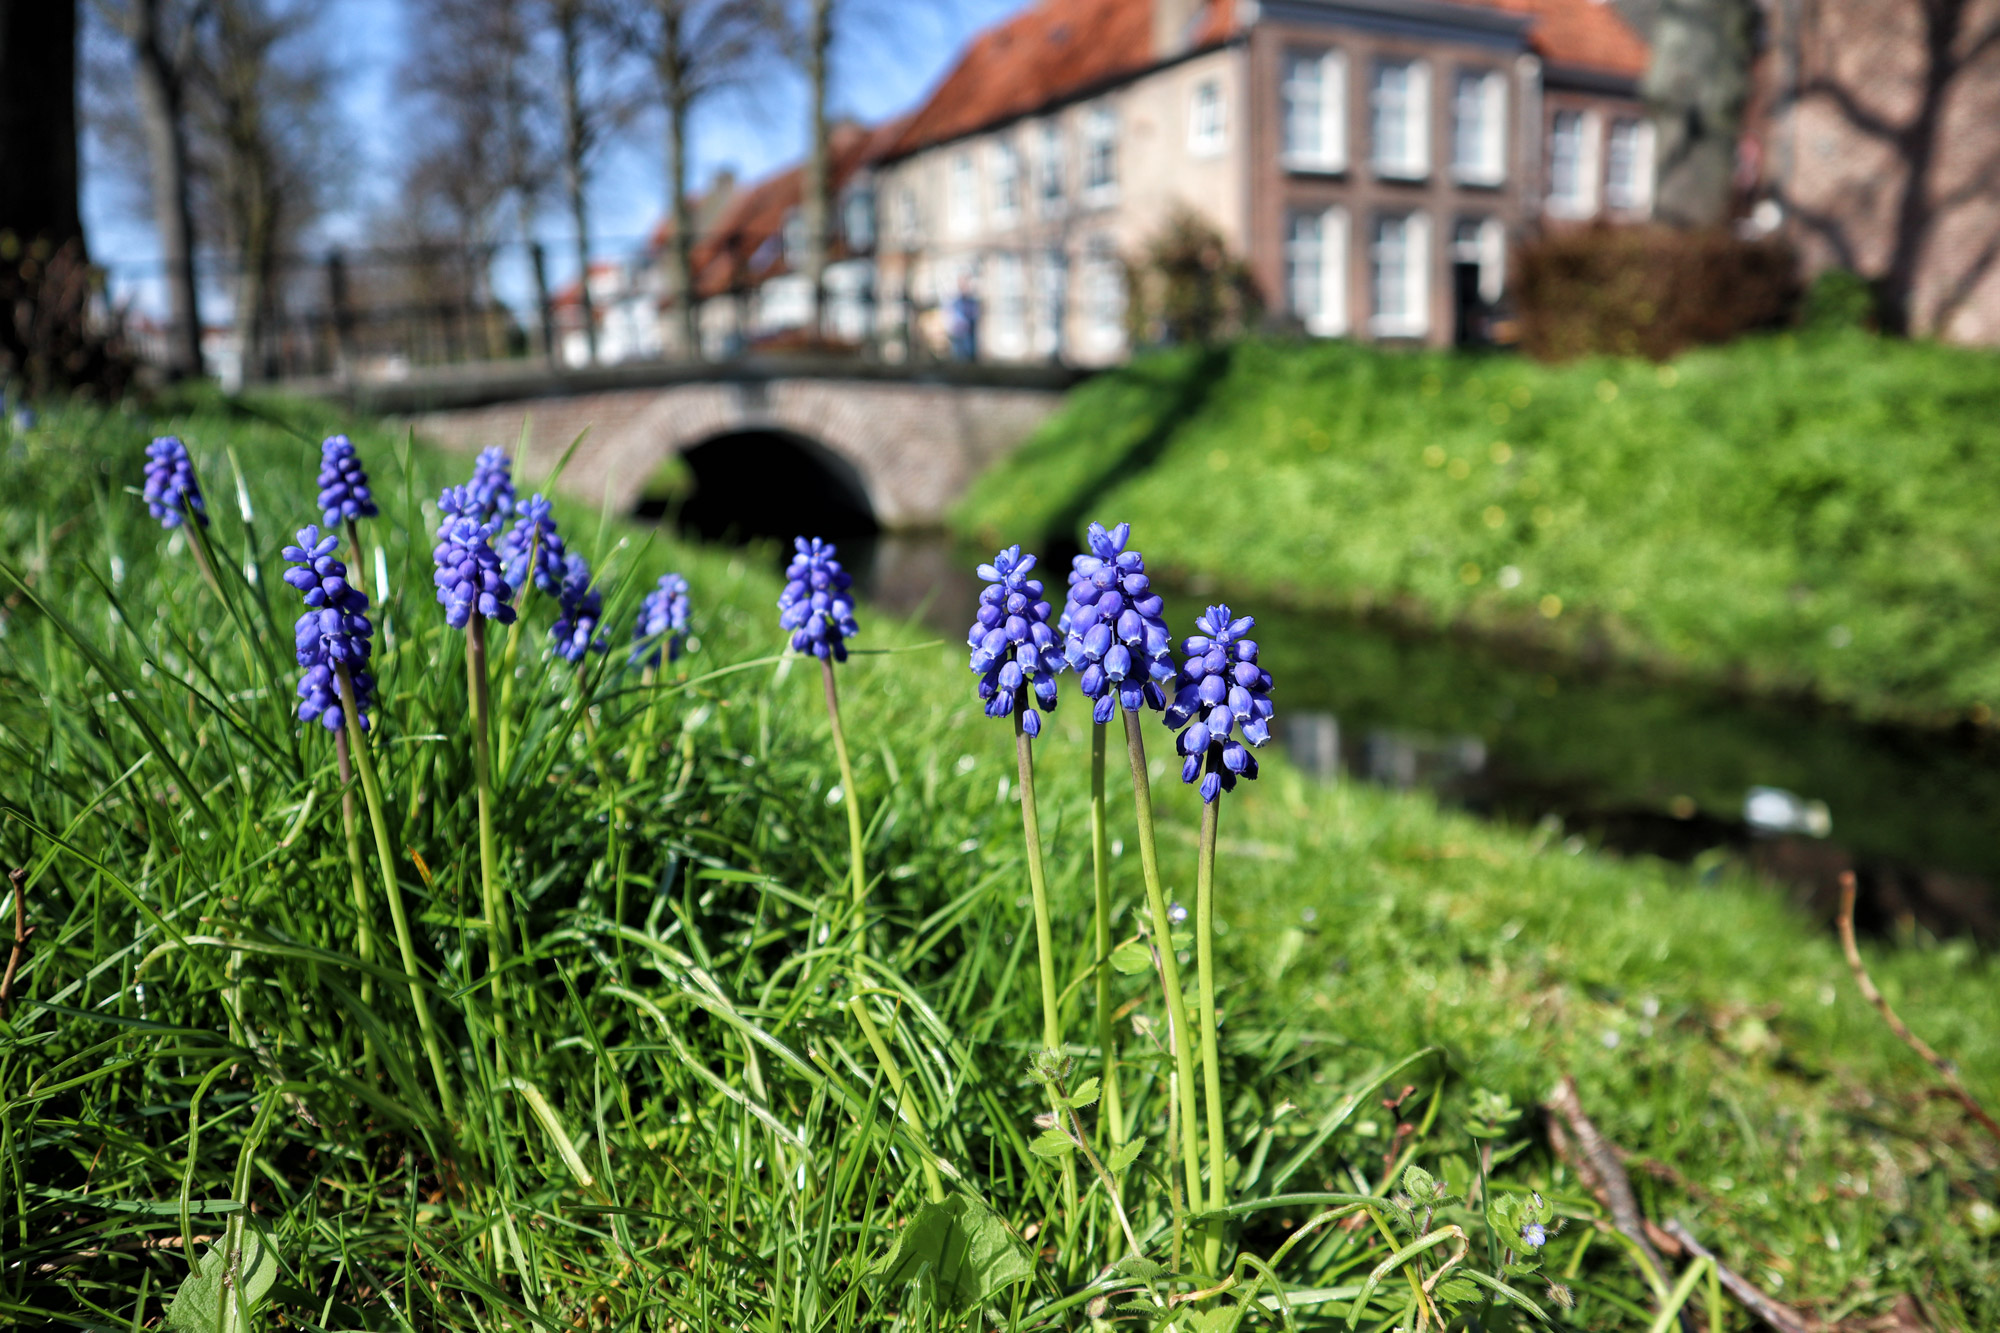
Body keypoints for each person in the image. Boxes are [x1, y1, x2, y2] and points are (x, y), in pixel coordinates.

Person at [946, 276, 980, 361]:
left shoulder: (972, 301)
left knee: (969, 357)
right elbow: (953, 317)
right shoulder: (956, 302)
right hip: (959, 335)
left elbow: (975, 315)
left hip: (969, 335)